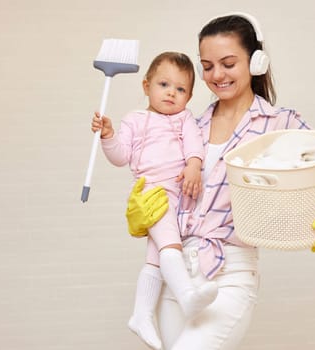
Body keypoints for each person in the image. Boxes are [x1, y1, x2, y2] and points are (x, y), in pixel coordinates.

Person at [124, 12, 315, 350]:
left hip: (229, 275)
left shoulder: (278, 124)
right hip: (176, 276)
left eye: (228, 63)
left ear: (255, 62)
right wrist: (144, 215)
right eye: (208, 66)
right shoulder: (189, 127)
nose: (217, 75)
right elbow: (159, 181)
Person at [91, 51, 219, 350]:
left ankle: (141, 314)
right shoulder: (135, 119)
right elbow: (120, 157)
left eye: (181, 89)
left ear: (189, 96)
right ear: (146, 86)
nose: (172, 93)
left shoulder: (184, 118)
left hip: (178, 196)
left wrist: (193, 165)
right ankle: (187, 295)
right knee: (171, 246)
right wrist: (108, 136)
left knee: (155, 257)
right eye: (164, 85)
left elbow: (194, 146)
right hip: (152, 194)